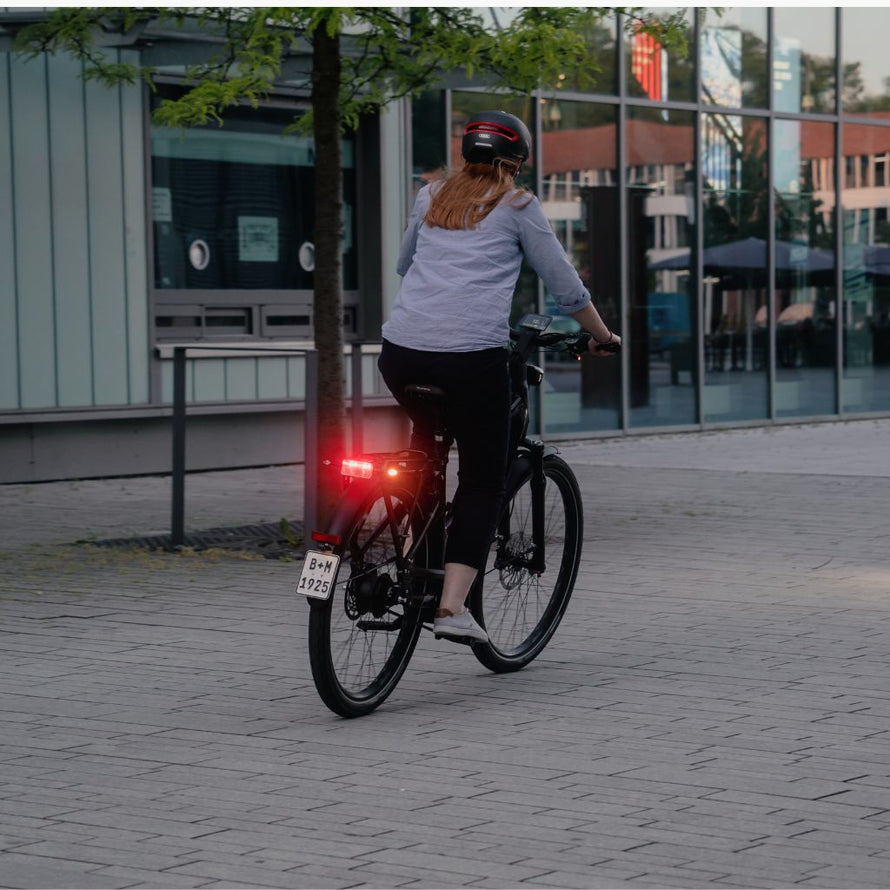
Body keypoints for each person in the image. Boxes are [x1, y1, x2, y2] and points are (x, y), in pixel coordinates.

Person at [378, 110, 621, 643]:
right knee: (484, 479)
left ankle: (416, 563)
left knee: (426, 452)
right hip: (470, 358)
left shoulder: (431, 195)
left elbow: (404, 264)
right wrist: (602, 336)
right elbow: (565, 286)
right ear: (515, 163)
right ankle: (450, 608)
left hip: (400, 353)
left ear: (467, 153)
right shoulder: (518, 205)